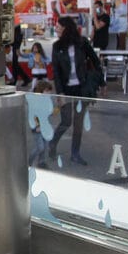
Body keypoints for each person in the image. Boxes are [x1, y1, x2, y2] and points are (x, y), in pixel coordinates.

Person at [49, 15, 101, 165]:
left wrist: (96, 78)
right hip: (66, 89)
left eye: (58, 27)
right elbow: (56, 72)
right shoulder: (57, 46)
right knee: (66, 121)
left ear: (66, 28)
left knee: (78, 123)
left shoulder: (82, 43)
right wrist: (60, 93)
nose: (56, 29)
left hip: (81, 88)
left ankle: (75, 153)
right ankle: (53, 144)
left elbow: (95, 60)